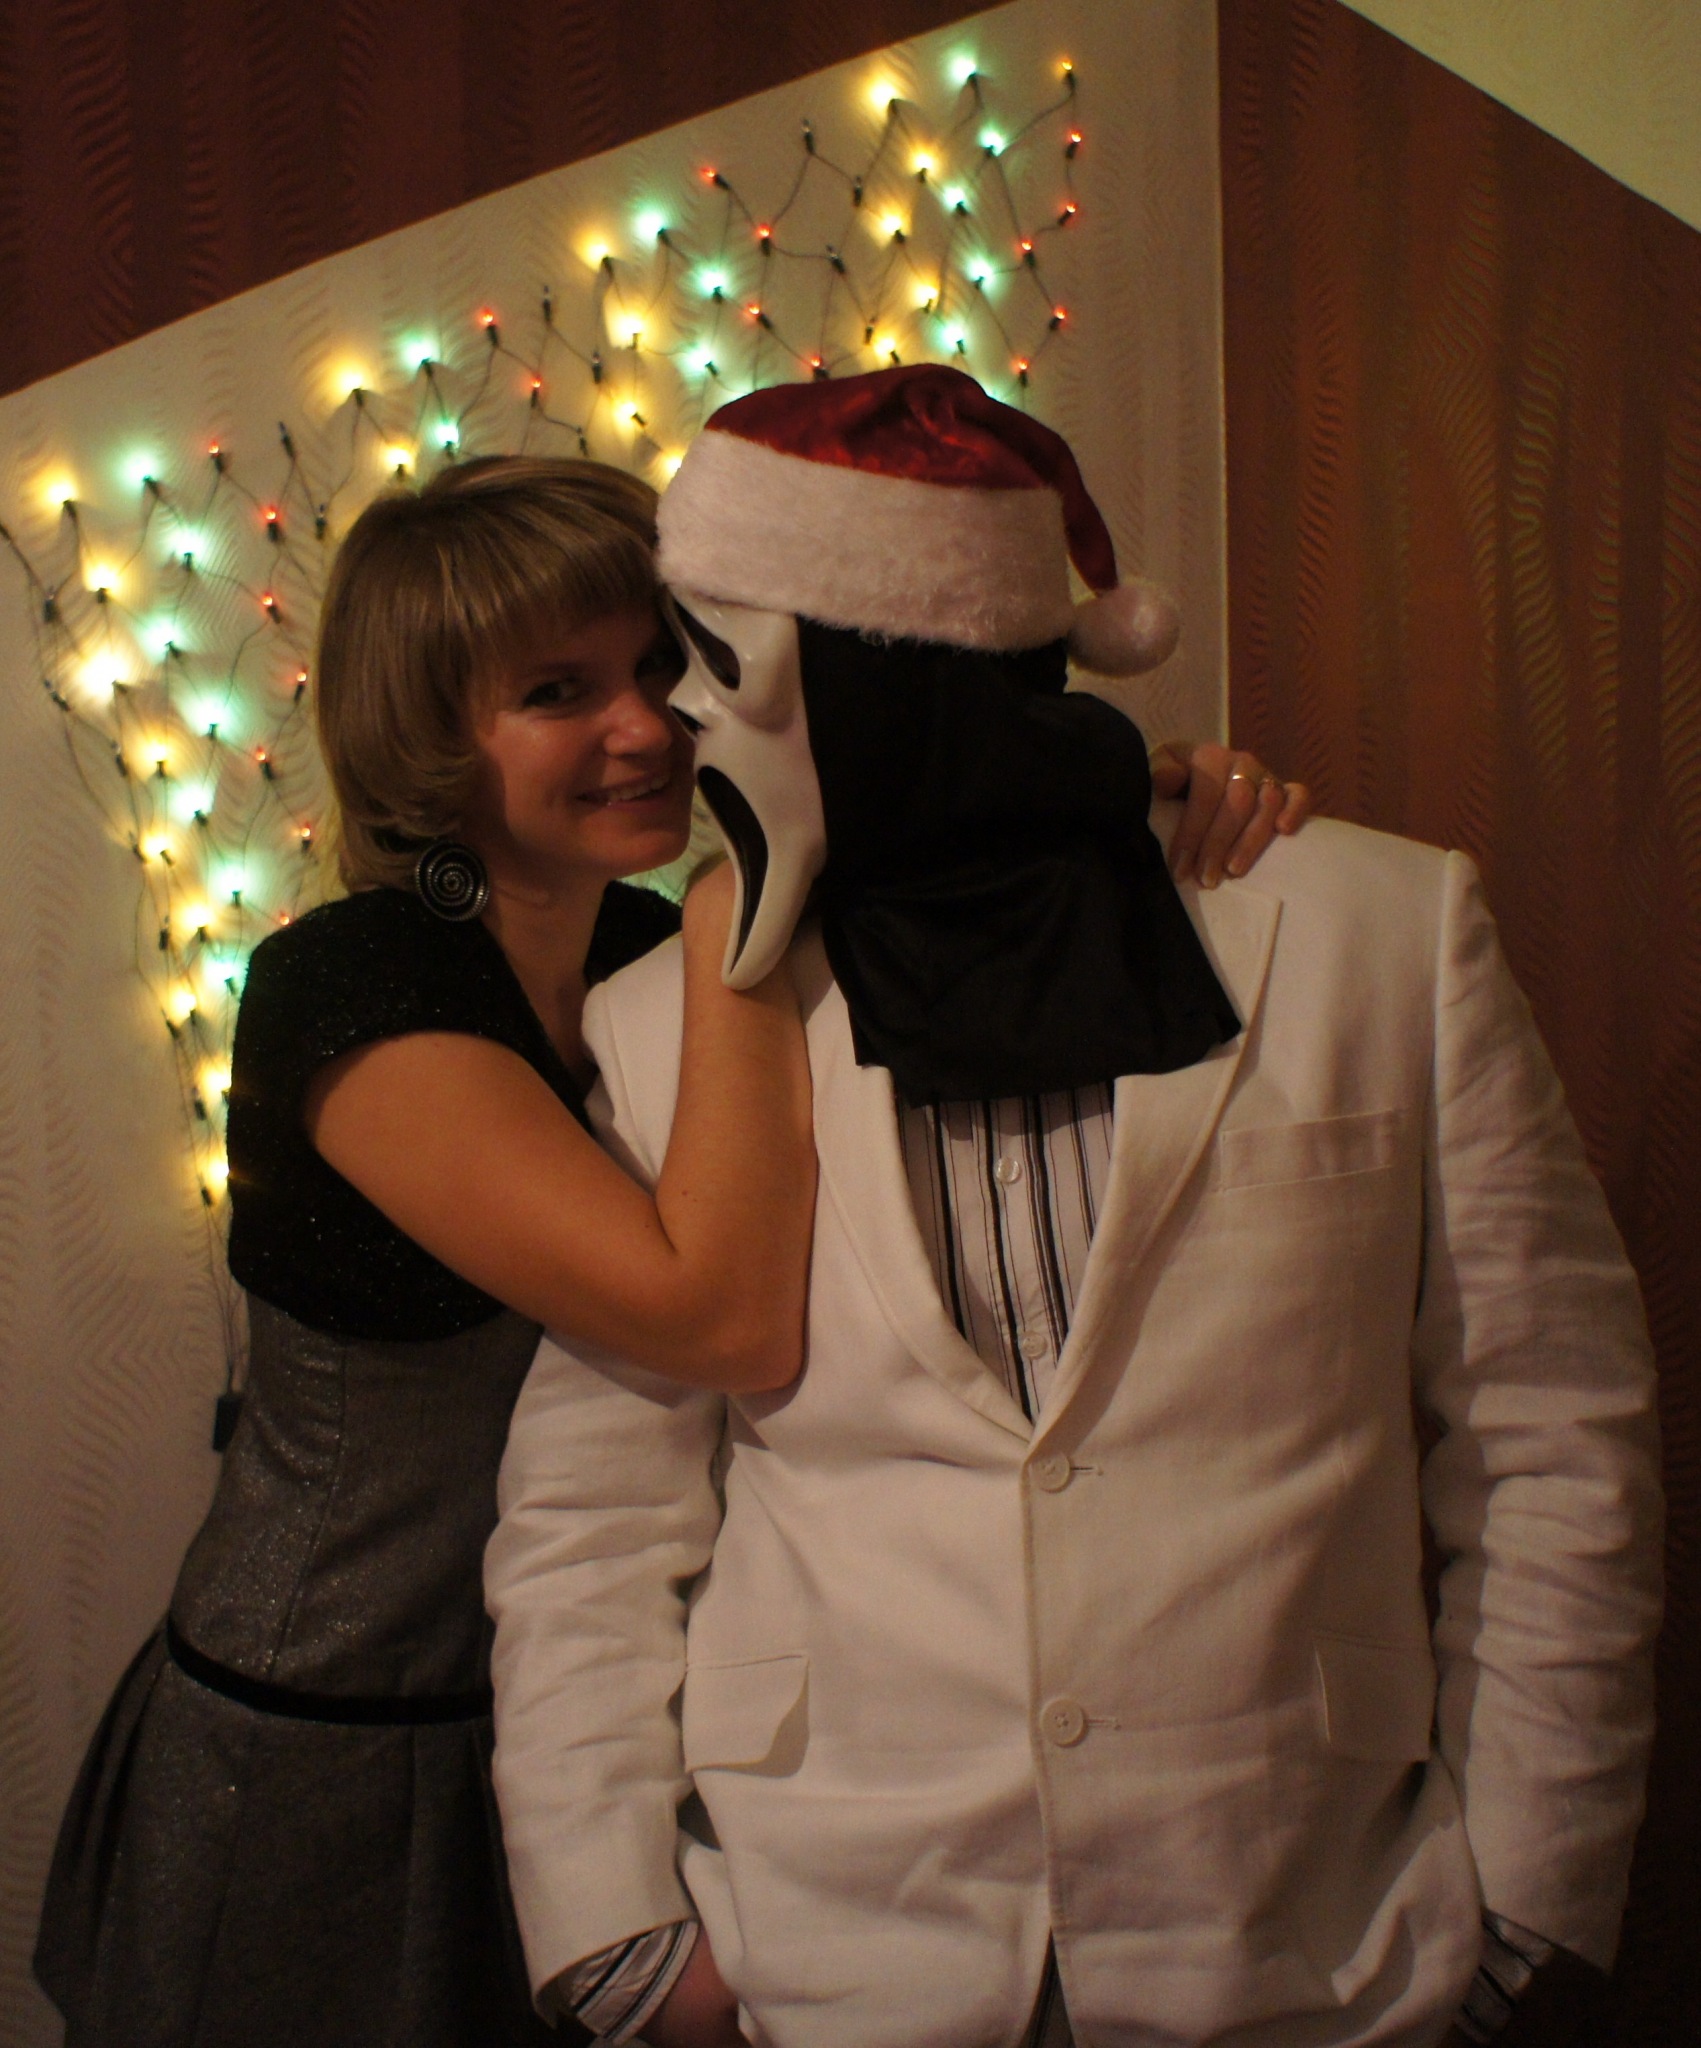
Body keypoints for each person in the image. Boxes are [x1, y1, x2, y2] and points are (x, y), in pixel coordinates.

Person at [33, 450, 1289, 2048]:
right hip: (325, 1738)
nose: (645, 727)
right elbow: (718, 1320)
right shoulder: (349, 986)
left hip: (573, 1717)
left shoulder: (637, 946)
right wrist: (729, 905)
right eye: (558, 691)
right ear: (428, 735)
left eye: (659, 666)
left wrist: (1135, 802)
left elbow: (948, 872)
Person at [485, 370, 1664, 2048]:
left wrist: (1525, 1895)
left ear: (885, 663)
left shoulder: (1373, 933)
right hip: (830, 1948)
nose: (679, 720)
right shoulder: (673, 1017)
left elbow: (1551, 1425)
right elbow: (594, 1511)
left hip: (1310, 1939)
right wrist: (617, 1933)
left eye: (716, 660)